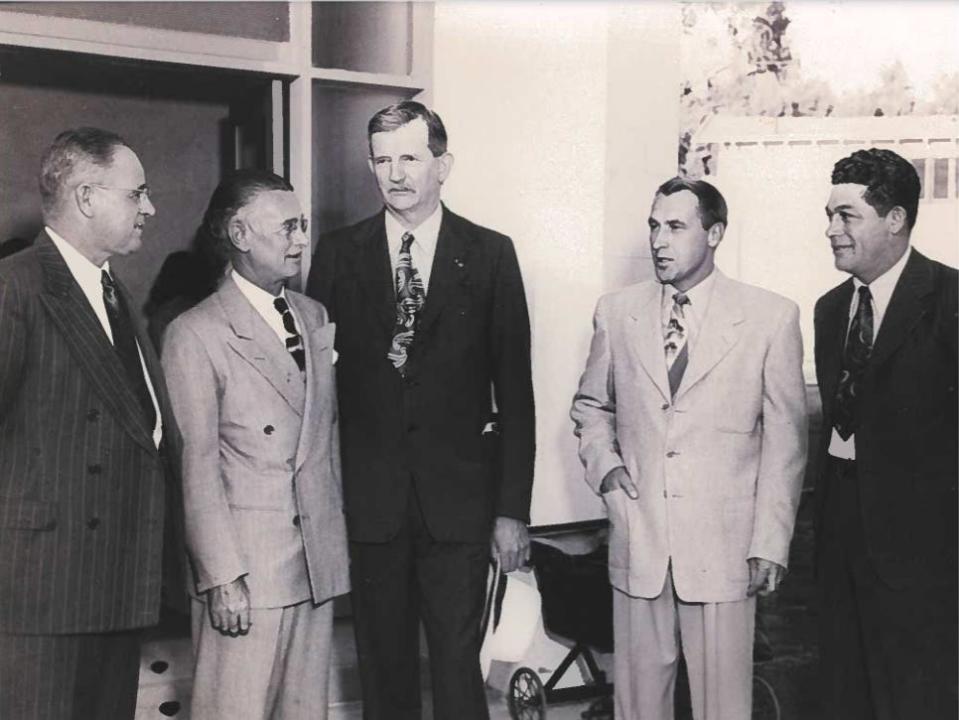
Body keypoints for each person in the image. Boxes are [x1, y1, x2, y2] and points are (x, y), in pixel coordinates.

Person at [306, 100, 535, 720]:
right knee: (383, 667)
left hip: (459, 507)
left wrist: (513, 510)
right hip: (371, 503)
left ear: (443, 164)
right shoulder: (336, 254)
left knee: (460, 670)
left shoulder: (490, 255)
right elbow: (315, 394)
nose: (395, 173)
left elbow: (516, 393)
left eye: (410, 157)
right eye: (382, 160)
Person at [571, 177, 807, 720]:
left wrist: (770, 541)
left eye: (676, 226)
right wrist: (607, 471)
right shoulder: (617, 312)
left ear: (715, 233)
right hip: (640, 537)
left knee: (723, 708)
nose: (659, 240)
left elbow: (786, 442)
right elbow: (590, 407)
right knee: (636, 707)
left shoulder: (771, 318)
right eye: (654, 226)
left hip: (725, 547)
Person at [161, 170, 349, 719]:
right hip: (247, 573)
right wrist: (221, 577)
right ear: (240, 234)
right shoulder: (195, 333)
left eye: (302, 226)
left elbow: (324, 443)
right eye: (287, 227)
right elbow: (194, 467)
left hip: (312, 566)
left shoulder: (312, 315)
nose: (300, 240)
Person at [0, 127, 172, 719]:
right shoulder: (15, 287)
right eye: (137, 194)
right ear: (87, 196)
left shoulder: (111, 290)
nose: (149, 207)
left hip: (115, 585)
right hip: (40, 596)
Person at [814, 148, 957, 719]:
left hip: (926, 555)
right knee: (845, 692)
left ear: (895, 219)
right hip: (839, 537)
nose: (831, 230)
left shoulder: (949, 301)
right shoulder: (829, 311)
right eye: (829, 215)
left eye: (847, 216)